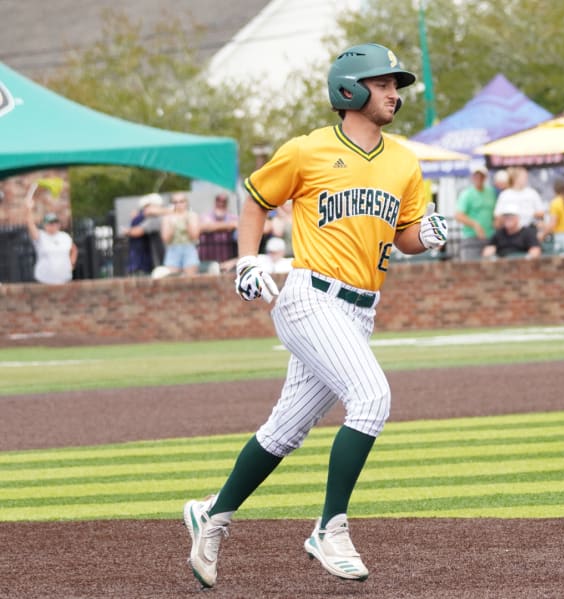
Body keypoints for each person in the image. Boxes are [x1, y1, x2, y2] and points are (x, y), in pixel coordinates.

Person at [182, 43, 447, 589]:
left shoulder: (404, 160)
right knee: (372, 398)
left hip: (361, 312)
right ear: (349, 89)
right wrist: (249, 258)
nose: (395, 93)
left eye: (396, 84)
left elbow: (405, 237)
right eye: (383, 83)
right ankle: (330, 528)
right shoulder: (307, 150)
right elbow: (256, 198)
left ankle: (213, 513)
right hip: (309, 298)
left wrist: (429, 235)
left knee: (284, 430)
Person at [25, 184, 77, 284]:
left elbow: (74, 249)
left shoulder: (65, 237)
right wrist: (28, 210)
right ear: (45, 225)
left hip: (64, 280)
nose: (53, 225)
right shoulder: (41, 236)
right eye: (50, 223)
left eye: (55, 222)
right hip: (44, 280)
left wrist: (71, 263)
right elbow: (30, 225)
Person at [454, 165, 497, 260]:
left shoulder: (491, 193)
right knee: (470, 269)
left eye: (481, 176)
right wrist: (475, 225)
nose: (478, 178)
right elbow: (458, 215)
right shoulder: (466, 194)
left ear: (485, 178)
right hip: (471, 238)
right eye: (476, 176)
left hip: (489, 237)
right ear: (472, 177)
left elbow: (494, 213)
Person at [124, 193, 167, 275]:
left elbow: (138, 231)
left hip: (151, 259)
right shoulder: (148, 217)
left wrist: (128, 231)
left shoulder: (155, 219)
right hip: (150, 257)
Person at [493, 166, 545, 231]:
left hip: (529, 229)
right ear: (515, 178)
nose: (526, 179)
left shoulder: (532, 193)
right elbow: (497, 215)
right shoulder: (505, 194)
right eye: (523, 177)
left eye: (526, 177)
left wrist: (529, 213)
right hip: (510, 231)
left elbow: (541, 212)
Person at [161, 192, 200, 276]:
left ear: (186, 202)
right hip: (173, 249)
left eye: (181, 201)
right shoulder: (167, 217)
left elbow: (194, 236)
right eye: (175, 202)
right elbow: (166, 239)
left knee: (191, 280)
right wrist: (172, 225)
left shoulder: (192, 215)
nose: (179, 204)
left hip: (189, 248)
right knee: (172, 280)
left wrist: (186, 221)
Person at [199, 192, 238, 263]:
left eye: (224, 201)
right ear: (215, 202)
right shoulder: (205, 216)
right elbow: (205, 227)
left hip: (228, 259)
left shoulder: (233, 217)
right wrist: (229, 225)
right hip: (207, 259)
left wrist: (217, 226)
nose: (221, 203)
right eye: (218, 200)